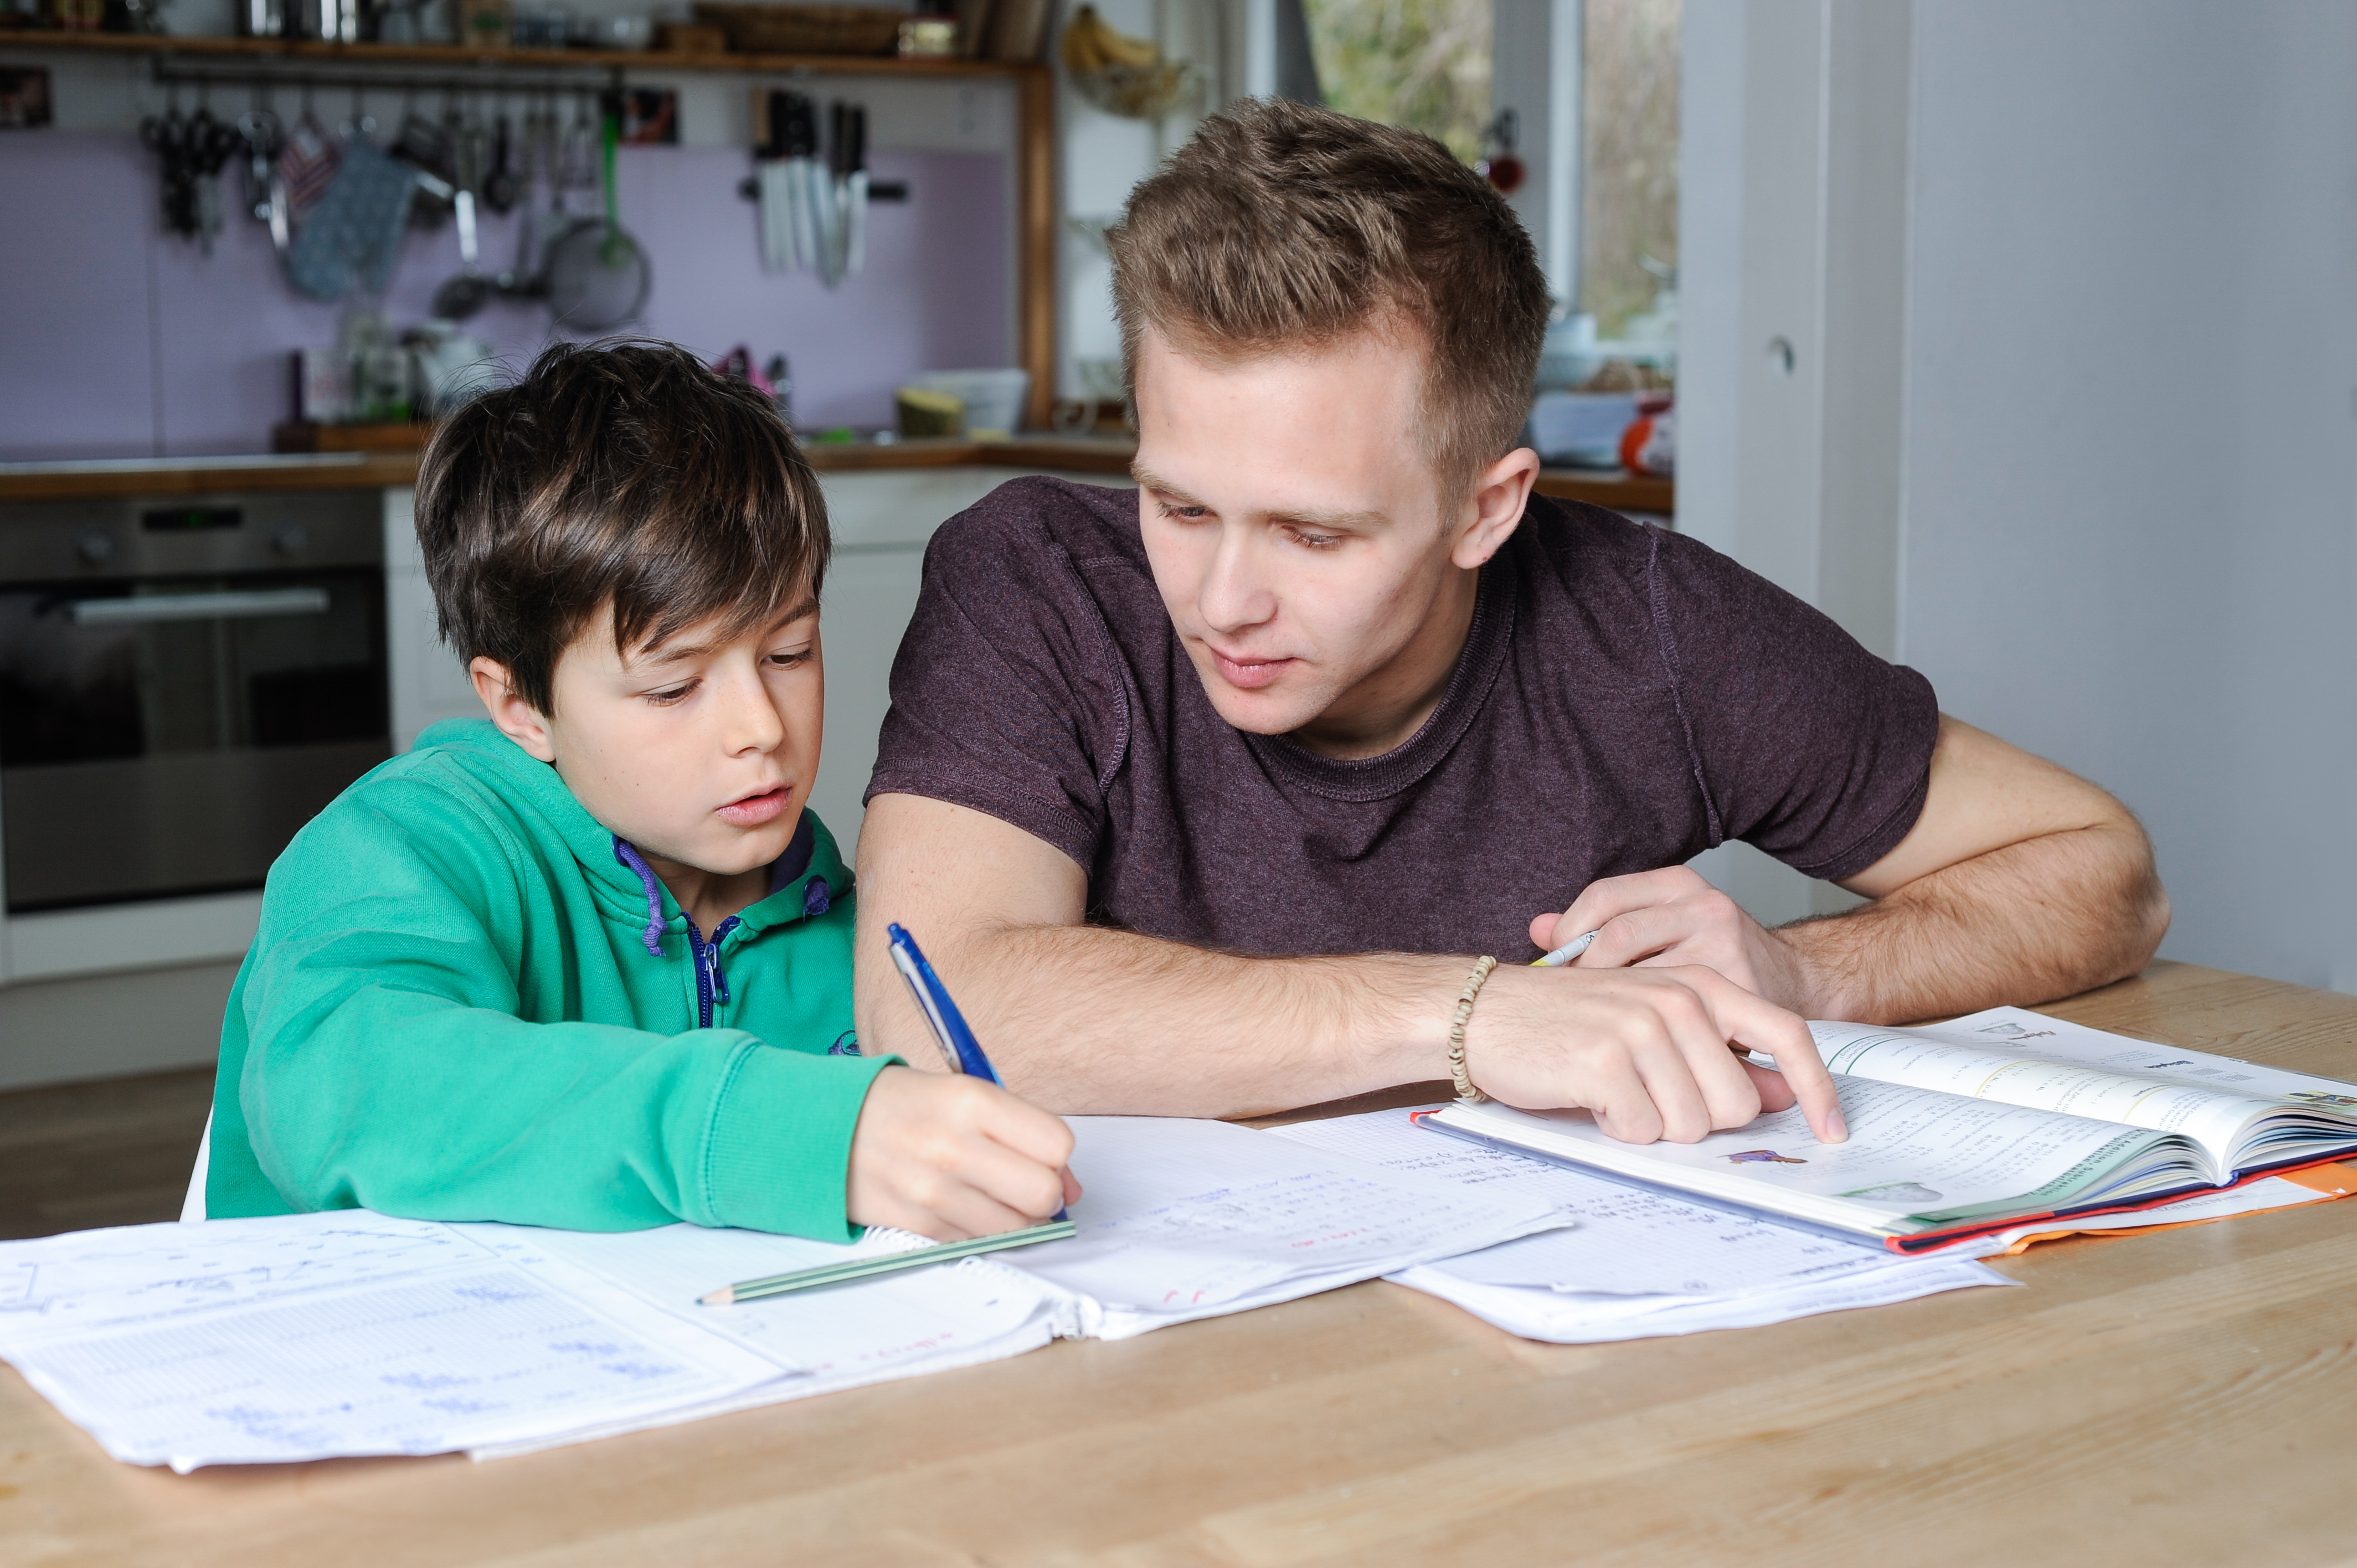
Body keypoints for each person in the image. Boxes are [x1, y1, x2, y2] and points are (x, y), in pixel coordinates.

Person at [853, 101, 2169, 1141]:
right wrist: (1470, 1017)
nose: (1220, 600)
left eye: (1315, 535)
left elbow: (2104, 871)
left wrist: (1806, 975)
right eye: (1181, 508)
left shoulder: (1647, 624)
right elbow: (926, 1002)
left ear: (1488, 509)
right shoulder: (1034, 577)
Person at [205, 342, 1075, 1241]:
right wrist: (773, 1129)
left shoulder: (865, 929)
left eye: (788, 653)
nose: (761, 729)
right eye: (674, 687)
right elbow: (348, 1085)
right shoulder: (398, 847)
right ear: (521, 705)